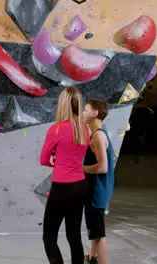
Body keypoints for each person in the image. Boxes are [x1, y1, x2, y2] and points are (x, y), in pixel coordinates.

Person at [40, 87, 90, 264]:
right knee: (74, 235)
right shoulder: (84, 129)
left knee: (49, 237)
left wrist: (55, 159)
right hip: (80, 185)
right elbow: (73, 153)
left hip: (62, 187)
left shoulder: (56, 129)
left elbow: (44, 160)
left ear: (62, 104)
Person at [82, 99, 115, 264]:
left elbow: (102, 168)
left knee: (99, 233)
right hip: (98, 191)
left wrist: (81, 168)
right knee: (95, 229)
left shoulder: (98, 136)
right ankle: (93, 256)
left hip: (97, 192)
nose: (83, 113)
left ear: (95, 113)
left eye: (85, 110)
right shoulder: (100, 132)